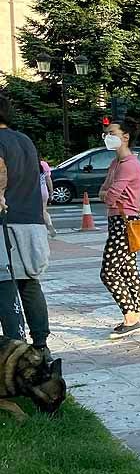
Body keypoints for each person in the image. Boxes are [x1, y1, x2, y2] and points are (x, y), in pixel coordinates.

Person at [0, 97, 52, 359]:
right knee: (30, 284)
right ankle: (41, 344)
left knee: (5, 288)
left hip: (6, 222)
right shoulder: (25, 141)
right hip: (31, 222)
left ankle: (16, 352)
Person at [98, 116, 140, 338]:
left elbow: (109, 196)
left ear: (125, 137)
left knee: (108, 272)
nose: (107, 137)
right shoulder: (116, 163)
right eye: (106, 133)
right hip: (119, 219)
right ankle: (137, 312)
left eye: (112, 133)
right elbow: (105, 190)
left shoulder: (129, 165)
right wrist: (106, 194)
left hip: (124, 222)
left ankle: (130, 315)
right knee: (127, 268)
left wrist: (107, 195)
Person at [38, 157, 56, 237]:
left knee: (36, 212)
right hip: (44, 190)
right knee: (43, 210)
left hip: (34, 191)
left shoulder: (29, 164)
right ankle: (49, 224)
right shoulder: (44, 164)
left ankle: (41, 229)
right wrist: (51, 192)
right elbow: (48, 179)